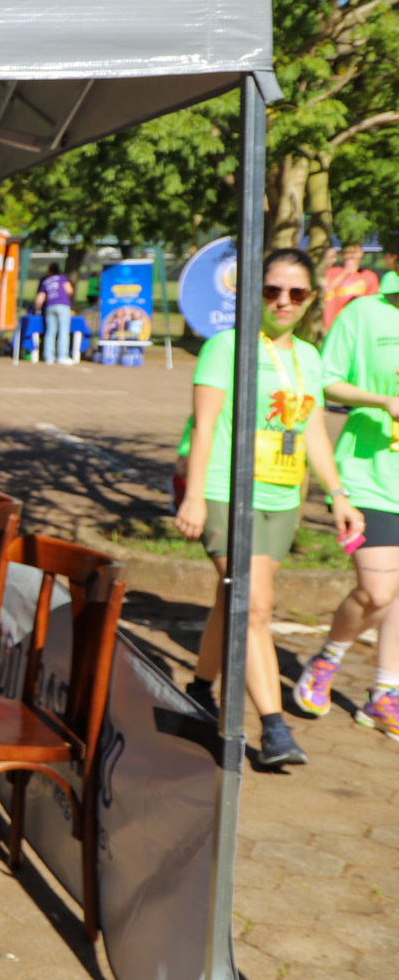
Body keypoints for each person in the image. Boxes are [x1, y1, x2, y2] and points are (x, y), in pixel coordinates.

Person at [175, 247, 362, 766]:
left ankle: (198, 689)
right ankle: (273, 727)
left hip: (282, 499)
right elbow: (206, 426)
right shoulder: (226, 348)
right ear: (252, 292)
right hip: (223, 493)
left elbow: (313, 434)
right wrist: (192, 495)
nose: (283, 301)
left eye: (296, 293)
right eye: (272, 290)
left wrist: (337, 495)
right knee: (255, 607)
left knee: (231, 597)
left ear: (309, 300)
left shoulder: (308, 356)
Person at [291, 281, 399, 741]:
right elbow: (326, 380)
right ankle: (328, 658)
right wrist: (382, 401)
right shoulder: (365, 313)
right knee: (376, 591)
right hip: (371, 477)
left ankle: (384, 694)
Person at [323, 241, 381, 331]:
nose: (351, 256)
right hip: (334, 323)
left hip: (358, 322)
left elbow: (373, 301)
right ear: (342, 255)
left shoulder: (369, 276)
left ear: (361, 254)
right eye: (348, 253)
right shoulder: (332, 272)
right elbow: (327, 291)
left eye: (355, 253)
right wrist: (345, 272)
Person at [33, 263, 73, 363]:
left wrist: (37, 310)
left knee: (50, 331)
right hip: (63, 305)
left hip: (50, 306)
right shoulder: (62, 278)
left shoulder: (45, 281)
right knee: (63, 331)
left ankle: (49, 356)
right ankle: (62, 356)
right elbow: (69, 290)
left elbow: (40, 298)